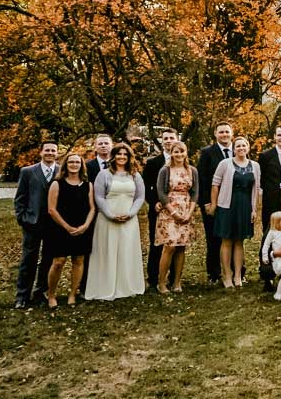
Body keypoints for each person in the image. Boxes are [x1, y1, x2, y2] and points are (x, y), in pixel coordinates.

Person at [85, 143, 146, 301]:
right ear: (113, 156)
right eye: (119, 154)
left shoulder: (135, 175)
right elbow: (99, 197)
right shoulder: (104, 174)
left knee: (126, 250)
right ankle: (105, 286)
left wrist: (131, 213)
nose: (122, 157)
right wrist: (110, 215)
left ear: (129, 157)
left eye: (125, 155)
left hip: (129, 219)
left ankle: (127, 285)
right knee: (108, 251)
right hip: (107, 218)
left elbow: (140, 197)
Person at [44, 152, 96, 307]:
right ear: (66, 165)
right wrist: (67, 227)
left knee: (78, 260)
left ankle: (73, 293)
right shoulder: (57, 183)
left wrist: (86, 225)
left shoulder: (88, 184)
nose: (74, 165)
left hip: (82, 227)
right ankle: (51, 294)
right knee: (58, 262)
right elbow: (51, 209)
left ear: (82, 165)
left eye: (77, 162)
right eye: (71, 162)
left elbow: (92, 208)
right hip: (61, 228)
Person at [210, 137, 260, 289]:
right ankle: (227, 275)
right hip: (227, 206)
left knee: (239, 241)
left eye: (243, 145)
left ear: (248, 147)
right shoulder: (225, 164)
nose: (241, 148)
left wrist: (254, 209)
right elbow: (215, 185)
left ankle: (238, 275)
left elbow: (256, 189)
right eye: (238, 145)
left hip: (245, 207)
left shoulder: (255, 166)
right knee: (226, 241)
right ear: (234, 148)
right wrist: (214, 204)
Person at [14, 141, 59, 308]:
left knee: (48, 260)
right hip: (32, 223)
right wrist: (22, 218)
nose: (50, 153)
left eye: (53, 150)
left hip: (54, 225)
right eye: (47, 150)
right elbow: (20, 198)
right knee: (28, 259)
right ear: (41, 152)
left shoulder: (62, 171)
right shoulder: (28, 171)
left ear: (57, 153)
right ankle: (22, 296)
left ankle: (41, 292)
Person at [155, 141, 199, 293]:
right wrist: (173, 212)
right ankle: (161, 283)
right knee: (170, 246)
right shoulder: (165, 170)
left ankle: (177, 282)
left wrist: (189, 212)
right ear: (171, 153)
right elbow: (160, 192)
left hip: (186, 207)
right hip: (169, 210)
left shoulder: (192, 170)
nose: (179, 154)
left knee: (181, 247)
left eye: (182, 151)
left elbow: (195, 193)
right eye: (176, 152)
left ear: (186, 153)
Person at [196, 122, 234, 284]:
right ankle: (214, 273)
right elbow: (202, 179)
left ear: (232, 133)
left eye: (227, 132)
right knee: (213, 238)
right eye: (221, 132)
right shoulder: (207, 153)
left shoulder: (239, 150)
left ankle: (235, 270)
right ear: (215, 134)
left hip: (234, 202)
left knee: (233, 237)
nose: (224, 135)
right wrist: (205, 203)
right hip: (213, 203)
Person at [142, 128, 178, 290]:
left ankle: (173, 277)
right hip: (158, 209)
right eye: (166, 138)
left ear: (176, 139)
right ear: (162, 141)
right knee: (157, 243)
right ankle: (154, 277)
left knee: (176, 244)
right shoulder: (152, 163)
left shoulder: (183, 161)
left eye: (172, 138)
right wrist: (153, 201)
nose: (169, 140)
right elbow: (145, 186)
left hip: (177, 208)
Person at [258, 125, 281, 233]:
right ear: (274, 136)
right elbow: (261, 178)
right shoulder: (265, 156)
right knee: (269, 230)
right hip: (270, 200)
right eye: (279, 135)